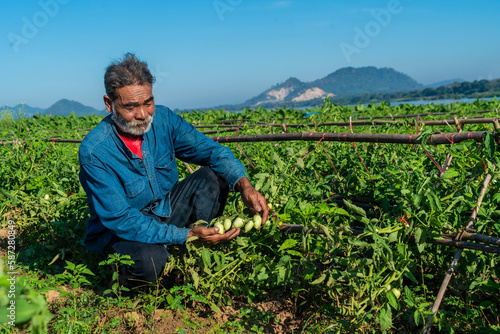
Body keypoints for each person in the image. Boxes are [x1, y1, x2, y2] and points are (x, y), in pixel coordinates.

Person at [78, 53, 268, 288]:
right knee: (149, 262)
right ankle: (123, 279)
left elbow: (213, 152)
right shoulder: (96, 151)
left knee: (215, 174)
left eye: (148, 102)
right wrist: (183, 235)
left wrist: (245, 185)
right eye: (130, 107)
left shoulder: (164, 120)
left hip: (166, 209)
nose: (142, 114)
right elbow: (120, 218)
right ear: (109, 104)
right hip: (123, 232)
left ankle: (194, 245)